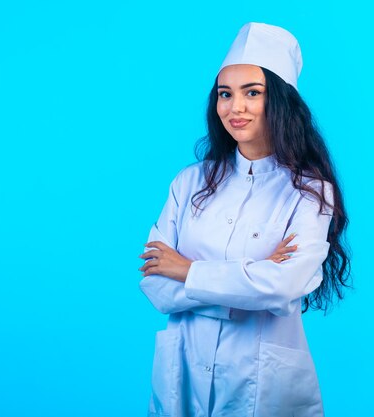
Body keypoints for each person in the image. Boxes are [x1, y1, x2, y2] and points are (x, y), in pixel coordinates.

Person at [138, 22, 351, 417]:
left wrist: (186, 270)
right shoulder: (189, 183)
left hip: (263, 386)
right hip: (183, 371)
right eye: (225, 94)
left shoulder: (310, 192)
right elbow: (154, 285)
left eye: (252, 93)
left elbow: (282, 287)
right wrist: (252, 280)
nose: (235, 108)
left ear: (281, 101)